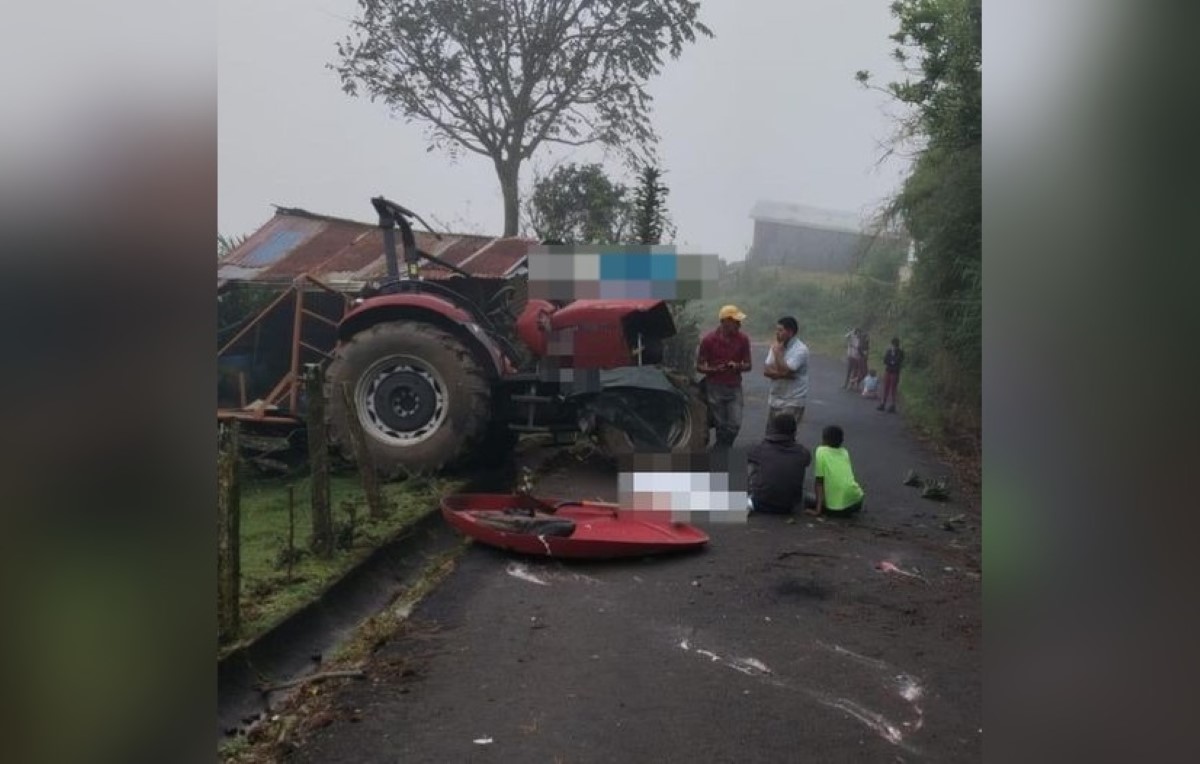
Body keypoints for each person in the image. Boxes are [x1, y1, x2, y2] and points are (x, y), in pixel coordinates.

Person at [697, 305, 752, 448]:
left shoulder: (743, 339)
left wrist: (737, 366)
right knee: (721, 425)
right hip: (714, 386)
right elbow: (700, 366)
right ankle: (721, 454)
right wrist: (714, 369)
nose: (739, 324)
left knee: (735, 424)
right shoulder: (709, 340)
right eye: (736, 321)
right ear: (725, 322)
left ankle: (720, 449)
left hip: (734, 387)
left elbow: (748, 365)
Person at [747, 412, 812, 514]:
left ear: (772, 429)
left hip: (760, 502)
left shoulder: (759, 448)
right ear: (794, 432)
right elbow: (806, 462)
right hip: (789, 507)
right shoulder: (803, 452)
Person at [763, 316, 809, 435]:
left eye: (780, 330)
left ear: (790, 332)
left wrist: (778, 354)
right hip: (775, 397)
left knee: (785, 436)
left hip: (793, 400)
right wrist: (784, 373)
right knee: (770, 434)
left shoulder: (800, 350)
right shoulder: (775, 346)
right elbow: (767, 370)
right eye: (776, 330)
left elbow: (786, 370)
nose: (777, 333)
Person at [807, 424, 865, 517]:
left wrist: (818, 510)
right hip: (857, 501)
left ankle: (829, 507)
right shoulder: (845, 452)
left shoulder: (820, 451)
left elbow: (819, 482)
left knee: (807, 498)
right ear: (842, 441)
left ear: (823, 440)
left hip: (836, 509)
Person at [878, 336, 905, 413]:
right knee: (886, 387)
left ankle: (893, 405)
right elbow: (885, 360)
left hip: (895, 372)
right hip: (888, 371)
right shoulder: (889, 351)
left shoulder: (900, 352)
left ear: (896, 345)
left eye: (894, 345)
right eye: (892, 345)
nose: (893, 346)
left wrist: (892, 359)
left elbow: (898, 361)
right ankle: (883, 403)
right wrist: (892, 361)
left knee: (893, 388)